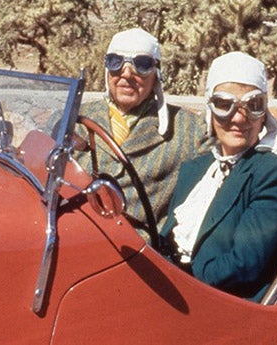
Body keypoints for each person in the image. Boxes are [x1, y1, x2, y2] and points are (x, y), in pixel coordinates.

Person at [160, 51, 277, 302]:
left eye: (252, 106)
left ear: (264, 114)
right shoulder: (195, 170)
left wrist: (178, 283)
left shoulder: (274, 175)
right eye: (224, 105)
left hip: (216, 303)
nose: (238, 118)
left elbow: (242, 265)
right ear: (210, 110)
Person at [75, 28, 212, 233]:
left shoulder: (188, 131)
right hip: (75, 238)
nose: (127, 73)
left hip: (137, 254)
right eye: (116, 62)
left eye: (142, 64)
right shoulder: (75, 120)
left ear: (157, 74)